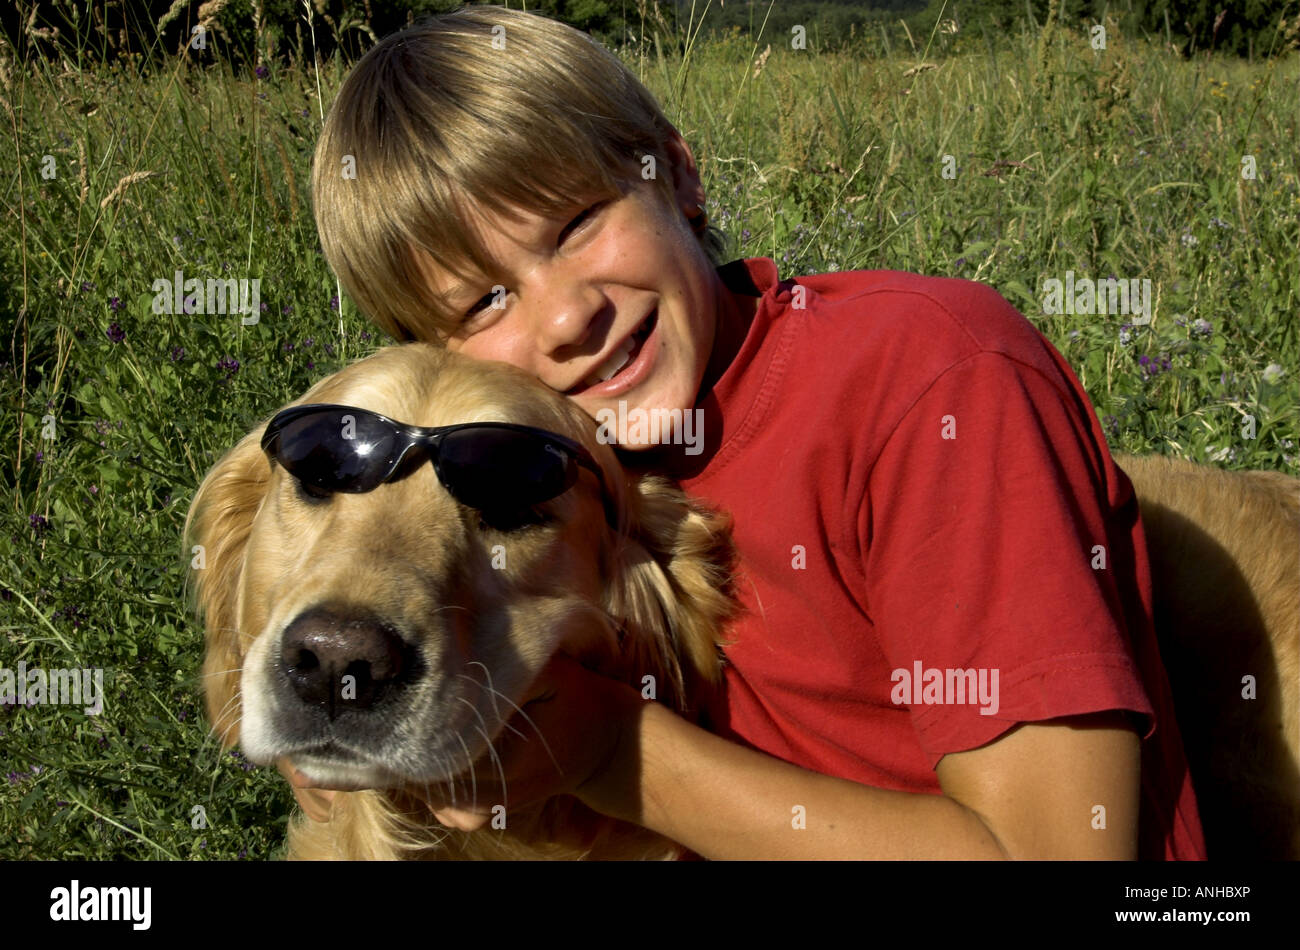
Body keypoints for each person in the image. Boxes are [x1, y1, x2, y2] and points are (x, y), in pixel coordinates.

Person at [287, 5, 1205, 859]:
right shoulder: (522, 480)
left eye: (576, 223)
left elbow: (1049, 849)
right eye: (484, 301)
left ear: (677, 174)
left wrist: (612, 754)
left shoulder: (924, 381)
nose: (568, 318)